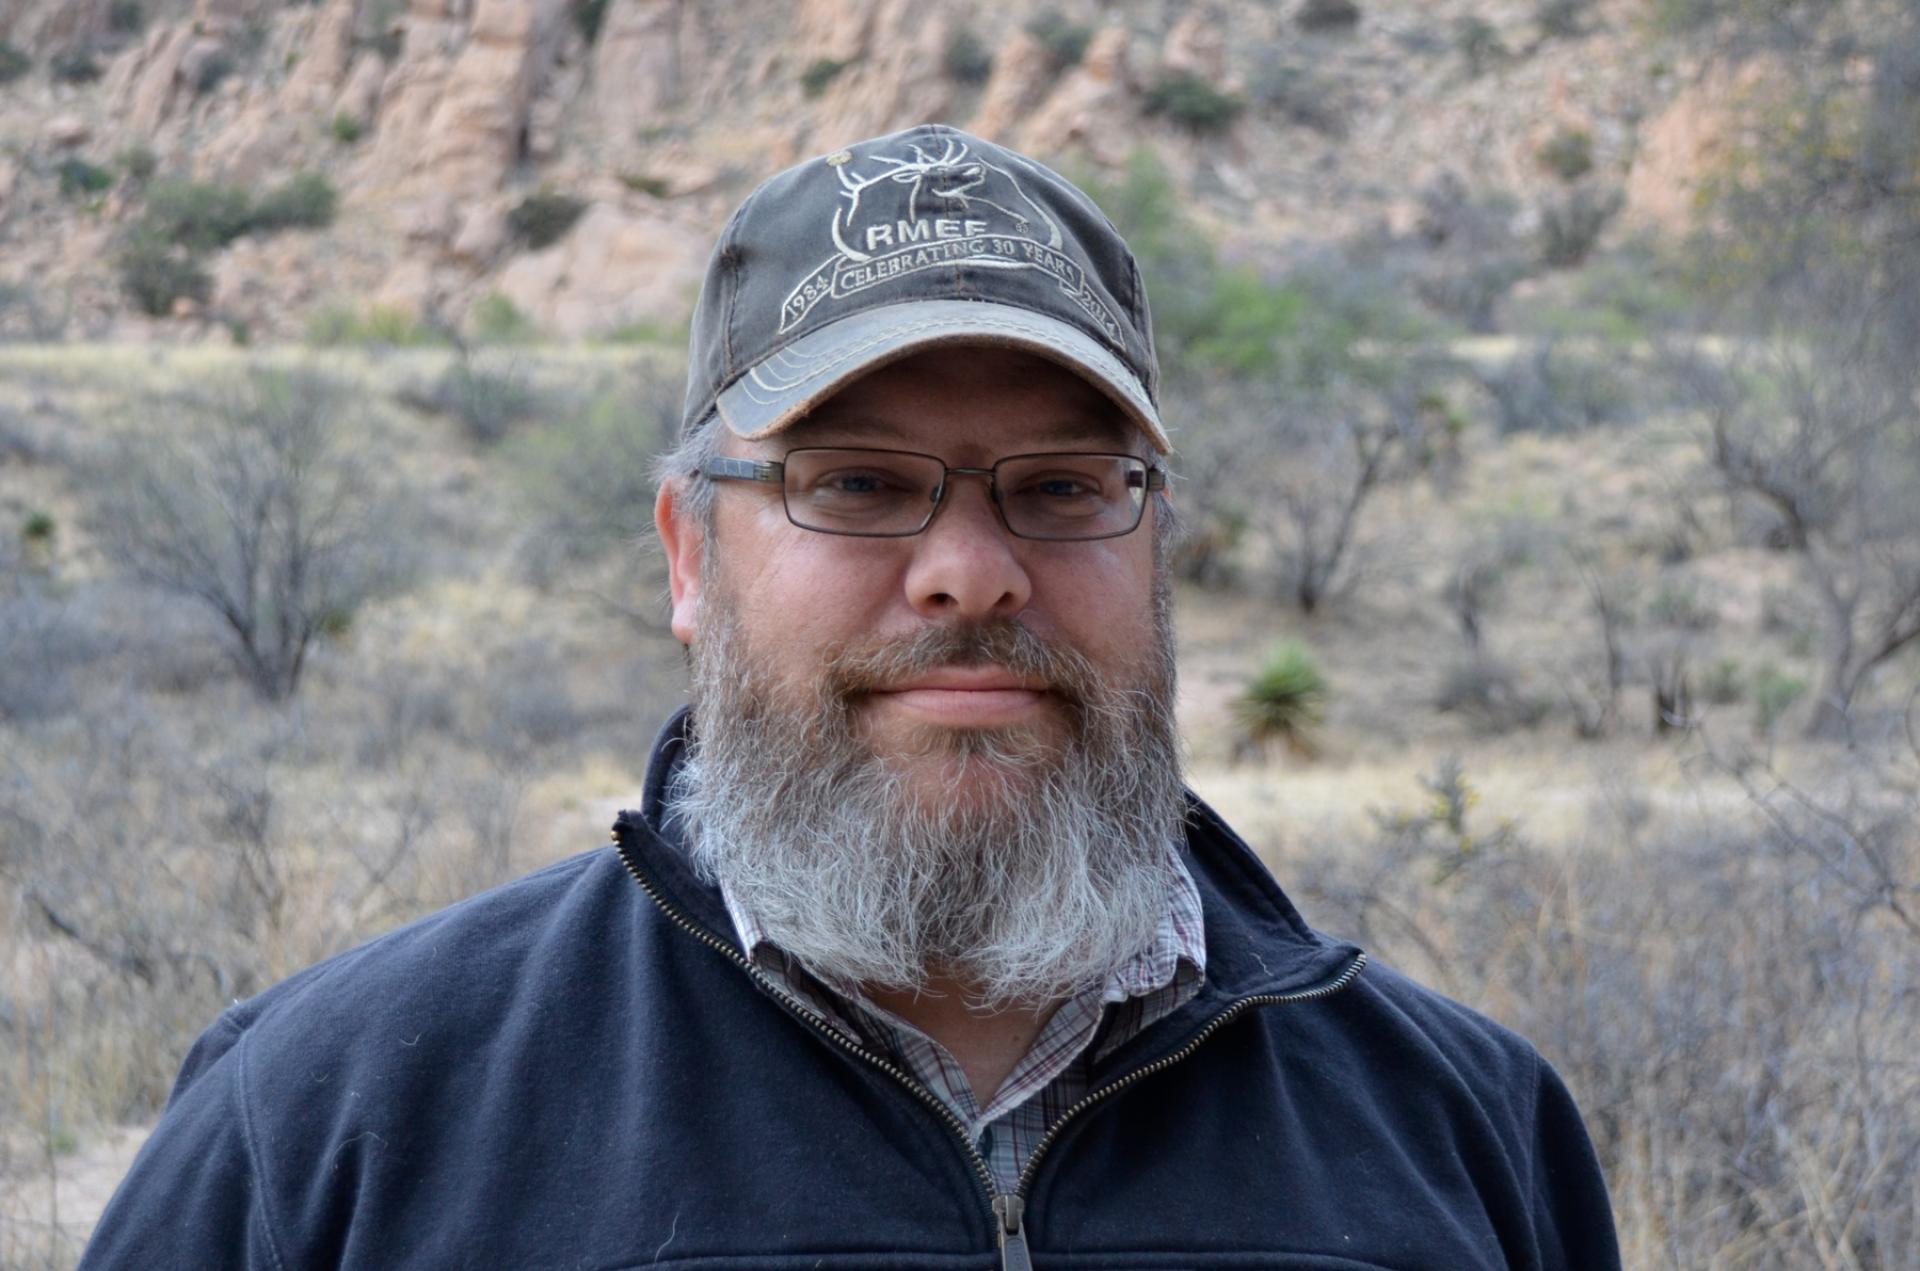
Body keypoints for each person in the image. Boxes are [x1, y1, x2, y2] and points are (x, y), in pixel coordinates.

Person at [82, 123, 1620, 1270]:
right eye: (860, 482)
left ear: (1157, 545)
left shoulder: (1466, 1131)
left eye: (1063, 487)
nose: (970, 570)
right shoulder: (333, 1130)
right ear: (692, 555)